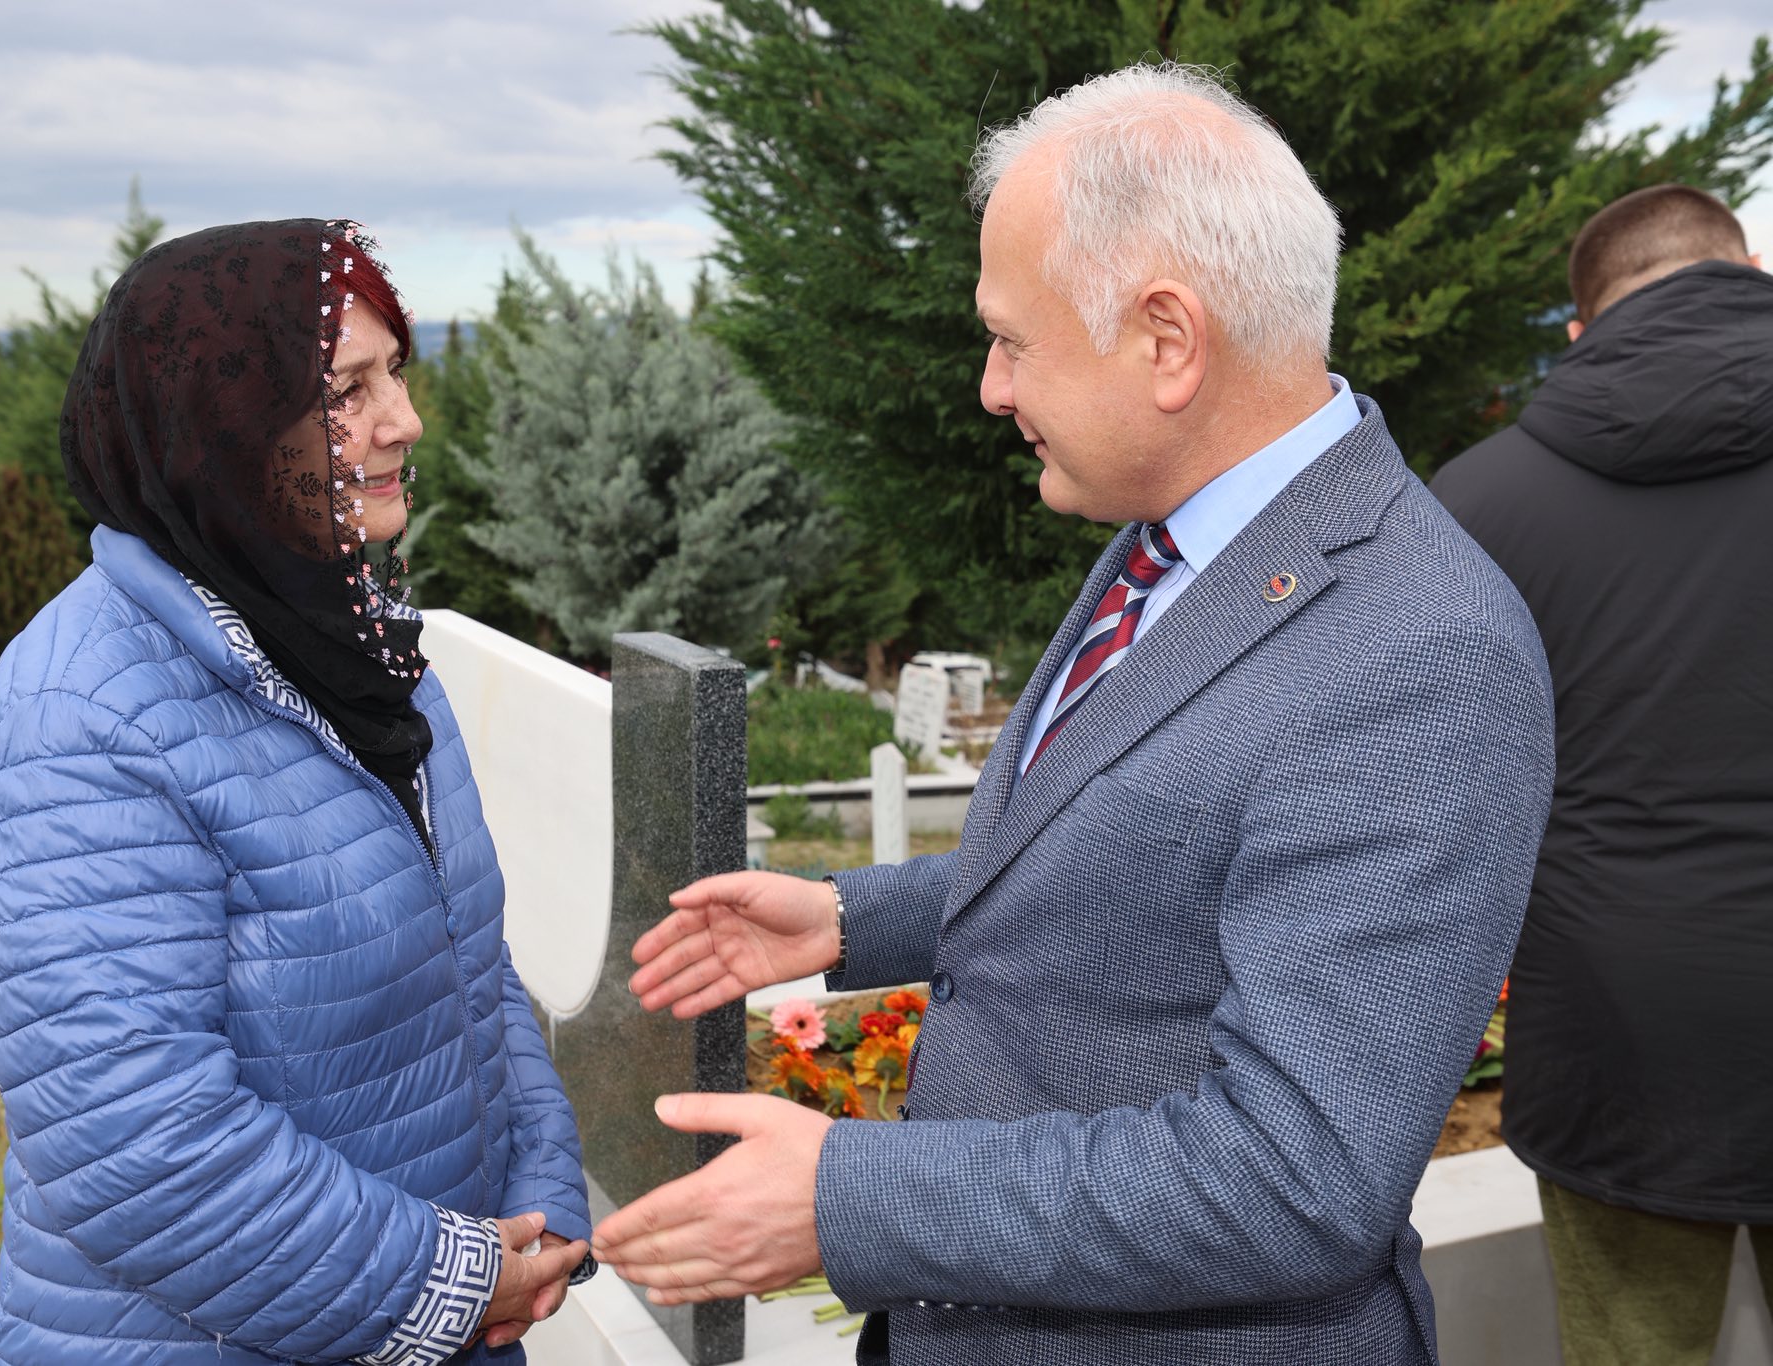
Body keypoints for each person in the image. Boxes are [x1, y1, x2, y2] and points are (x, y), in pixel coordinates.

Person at [592, 63, 1554, 1364]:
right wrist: (851, 917)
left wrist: (849, 1194)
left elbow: (1293, 1174)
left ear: (1167, 340)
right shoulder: (1177, 532)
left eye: (1013, 337)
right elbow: (1160, 849)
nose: (993, 387)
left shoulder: (1421, 648)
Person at [0, 219, 591, 1364]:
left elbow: (470, 972)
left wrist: (539, 1213)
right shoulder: (74, 727)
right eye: (344, 390)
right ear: (217, 431)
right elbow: (142, 1146)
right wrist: (453, 1281)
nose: (402, 423)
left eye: (397, 373)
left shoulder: (363, 651)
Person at [1431, 185, 1773, 1364]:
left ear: (1578, 333)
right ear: (1751, 269)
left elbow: (1441, 798)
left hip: (1616, 1039)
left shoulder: (1472, 506)